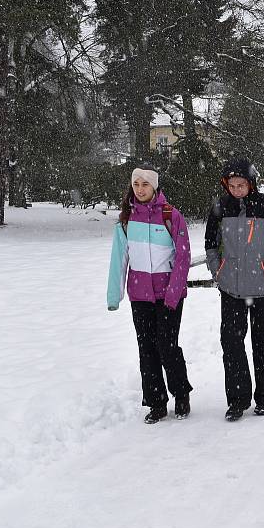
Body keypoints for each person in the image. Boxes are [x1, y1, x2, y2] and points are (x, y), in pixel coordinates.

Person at [205, 158, 264, 422]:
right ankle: (237, 400)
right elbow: (210, 244)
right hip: (231, 290)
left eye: (241, 185)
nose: (236, 190)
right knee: (231, 343)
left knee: (263, 342)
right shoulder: (220, 208)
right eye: (231, 185)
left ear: (251, 183)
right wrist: (217, 271)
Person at [107, 165, 193, 424]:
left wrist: (173, 293)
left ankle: (181, 393)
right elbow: (119, 260)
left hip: (168, 296)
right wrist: (114, 296)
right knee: (147, 350)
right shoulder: (125, 220)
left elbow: (183, 256)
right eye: (136, 184)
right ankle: (156, 403)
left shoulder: (171, 215)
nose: (141, 189)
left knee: (167, 346)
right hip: (140, 296)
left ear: (154, 187)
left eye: (145, 184)